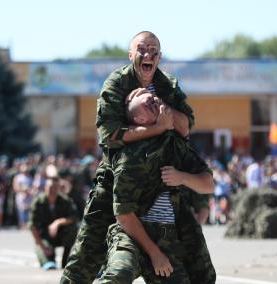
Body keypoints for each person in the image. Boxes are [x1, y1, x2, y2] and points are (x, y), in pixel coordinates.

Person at [61, 31, 213, 284]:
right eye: (141, 49)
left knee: (202, 270)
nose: (148, 54)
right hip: (120, 178)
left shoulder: (167, 86)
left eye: (154, 49)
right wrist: (158, 127)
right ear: (131, 55)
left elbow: (185, 128)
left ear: (159, 57)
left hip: (163, 181)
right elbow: (110, 135)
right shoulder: (117, 83)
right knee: (86, 256)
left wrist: (164, 109)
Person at [96, 92, 215, 283]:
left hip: (167, 235)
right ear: (139, 119)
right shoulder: (129, 156)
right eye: (147, 103)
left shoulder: (174, 145)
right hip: (132, 234)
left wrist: (182, 177)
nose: (153, 100)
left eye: (154, 98)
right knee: (119, 274)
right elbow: (124, 214)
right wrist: (154, 253)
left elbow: (208, 185)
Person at [29, 177, 79, 270]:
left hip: (61, 234)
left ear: (59, 188)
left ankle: (66, 259)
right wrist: (42, 247)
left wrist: (57, 222)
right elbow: (32, 226)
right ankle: (48, 259)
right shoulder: (38, 202)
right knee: (49, 263)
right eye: (50, 187)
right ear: (45, 187)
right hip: (45, 237)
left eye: (55, 187)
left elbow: (74, 217)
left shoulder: (65, 201)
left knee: (73, 227)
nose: (52, 189)